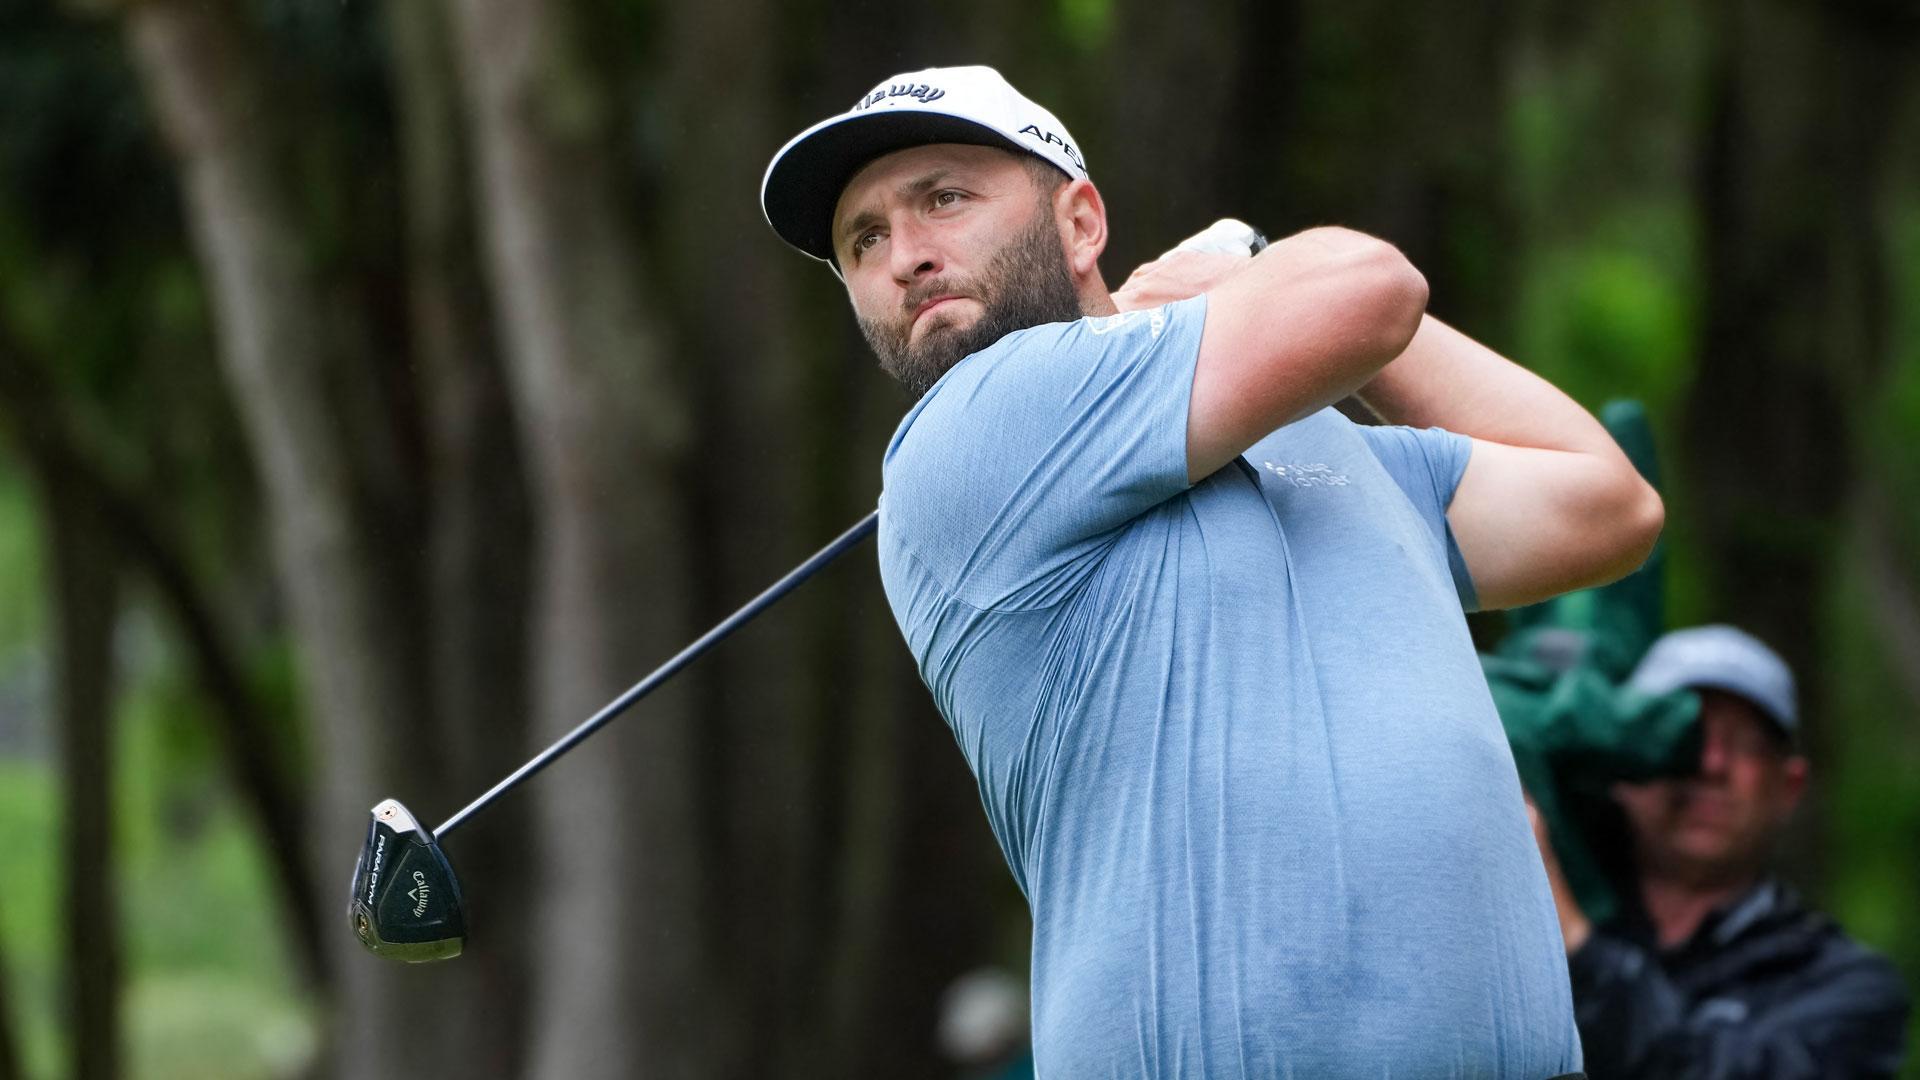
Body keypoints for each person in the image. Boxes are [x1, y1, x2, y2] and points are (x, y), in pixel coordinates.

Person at [761, 65, 1663, 1076]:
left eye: (943, 198)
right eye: (864, 240)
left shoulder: (1332, 448)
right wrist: (1254, 266)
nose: (907, 256)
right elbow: (1372, 289)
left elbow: (1609, 506)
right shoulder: (970, 431)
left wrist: (1261, 295)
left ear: (1082, 224)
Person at [1533, 625, 1911, 1077]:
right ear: (1620, 767)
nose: (1709, 765)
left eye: (1743, 744)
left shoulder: (1845, 985)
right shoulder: (1533, 929)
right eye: (1679, 738)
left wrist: (1577, 946)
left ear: (1789, 788)